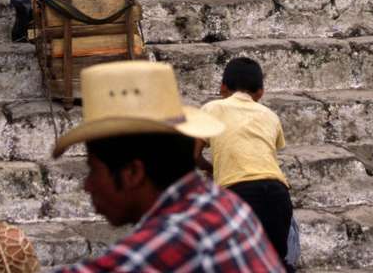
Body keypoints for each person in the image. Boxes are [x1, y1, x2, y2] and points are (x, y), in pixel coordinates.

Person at [51, 61, 285, 272]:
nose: (87, 185)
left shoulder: (179, 236)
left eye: (93, 170)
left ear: (133, 173)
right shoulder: (223, 204)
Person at [195, 58, 294, 272]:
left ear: (222, 87)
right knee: (274, 261)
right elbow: (267, 154)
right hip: (278, 192)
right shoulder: (270, 115)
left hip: (238, 194)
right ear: (260, 92)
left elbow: (193, 154)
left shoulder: (211, 108)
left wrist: (211, 168)